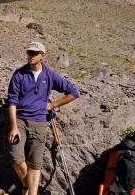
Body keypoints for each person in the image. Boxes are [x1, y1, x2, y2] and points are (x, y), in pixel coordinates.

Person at [6, 41, 80, 195]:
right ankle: (26, 185)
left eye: (34, 53)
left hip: (40, 122)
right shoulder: (19, 74)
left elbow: (73, 93)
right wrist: (13, 126)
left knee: (35, 164)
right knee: (16, 158)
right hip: (20, 120)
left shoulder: (49, 75)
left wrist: (53, 105)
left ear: (42, 56)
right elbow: (12, 102)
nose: (30, 56)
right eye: (29, 52)